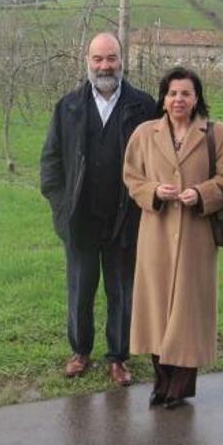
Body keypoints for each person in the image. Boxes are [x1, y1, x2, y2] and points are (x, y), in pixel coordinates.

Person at [40, 32, 157, 386]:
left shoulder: (144, 106)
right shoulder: (69, 106)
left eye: (111, 58)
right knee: (80, 289)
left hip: (126, 219)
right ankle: (80, 351)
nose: (105, 65)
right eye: (98, 59)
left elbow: (157, 161)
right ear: (87, 61)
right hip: (81, 221)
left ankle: (118, 357)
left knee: (122, 291)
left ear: (123, 60)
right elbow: (50, 163)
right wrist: (62, 211)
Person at [123, 66, 223, 409]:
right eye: (172, 93)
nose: (178, 100)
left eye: (185, 94)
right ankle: (161, 381)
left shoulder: (216, 133)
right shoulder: (145, 133)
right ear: (163, 97)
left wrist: (202, 193)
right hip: (156, 235)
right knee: (157, 308)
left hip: (196, 236)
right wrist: (154, 190)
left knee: (188, 311)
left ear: (197, 97)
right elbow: (131, 177)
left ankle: (181, 386)